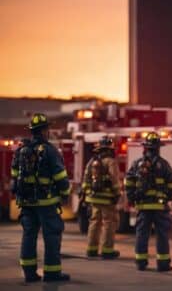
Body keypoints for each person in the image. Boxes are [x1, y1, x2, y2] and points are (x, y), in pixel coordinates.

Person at [10, 113, 71, 282]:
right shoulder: (50, 150)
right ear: (44, 131)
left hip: (26, 201)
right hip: (46, 202)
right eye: (47, 129)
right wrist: (65, 194)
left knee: (29, 235)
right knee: (51, 236)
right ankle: (52, 273)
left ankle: (29, 273)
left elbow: (14, 174)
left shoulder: (22, 150)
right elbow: (60, 176)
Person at [125, 132, 172, 272]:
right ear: (158, 148)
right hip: (159, 206)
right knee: (162, 234)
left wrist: (132, 197)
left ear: (146, 148)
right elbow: (171, 183)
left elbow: (128, 181)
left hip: (143, 205)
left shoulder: (137, 164)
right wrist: (168, 197)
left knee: (142, 233)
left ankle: (141, 262)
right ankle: (163, 264)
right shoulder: (163, 164)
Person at [82, 136, 121, 259]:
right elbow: (114, 179)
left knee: (94, 222)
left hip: (93, 198)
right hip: (107, 199)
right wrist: (117, 193)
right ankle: (107, 250)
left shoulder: (91, 162)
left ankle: (91, 249)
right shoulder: (111, 162)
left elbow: (85, 180)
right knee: (109, 223)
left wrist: (86, 193)